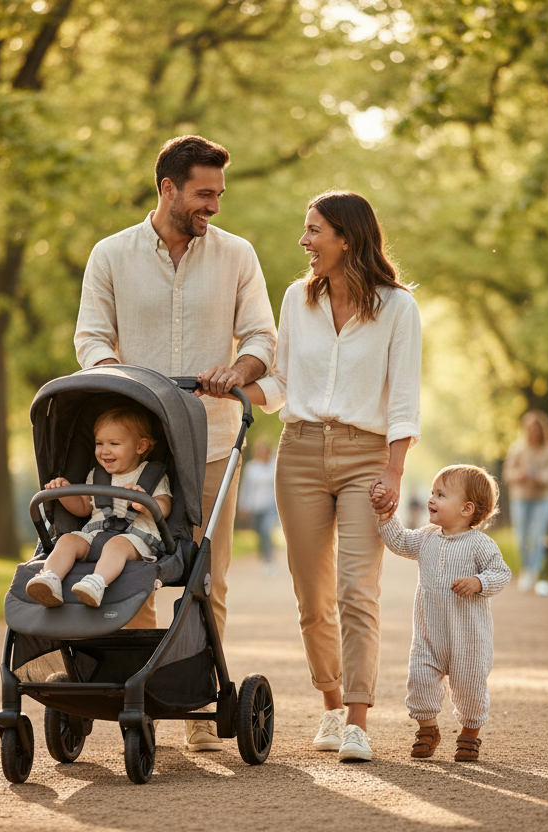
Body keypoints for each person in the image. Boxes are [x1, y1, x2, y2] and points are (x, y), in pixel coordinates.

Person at [74, 135, 277, 752]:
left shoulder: (237, 255)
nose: (215, 204)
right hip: (134, 450)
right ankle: (142, 700)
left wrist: (237, 373)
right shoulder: (110, 255)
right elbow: (90, 338)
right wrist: (121, 378)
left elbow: (262, 338)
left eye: (219, 192)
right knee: (132, 570)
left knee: (203, 578)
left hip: (211, 440)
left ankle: (197, 704)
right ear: (168, 189)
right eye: (204, 193)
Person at [240, 190, 422, 763]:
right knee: (313, 595)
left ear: (347, 237)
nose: (304, 242)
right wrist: (235, 388)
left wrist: (394, 469)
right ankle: (330, 705)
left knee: (356, 588)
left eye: (314, 230)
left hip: (367, 455)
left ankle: (359, 722)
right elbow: (283, 383)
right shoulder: (298, 299)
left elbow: (405, 400)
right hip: (299, 454)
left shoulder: (398, 308)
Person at [375, 464, 511, 762]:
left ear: (466, 508)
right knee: (419, 680)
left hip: (468, 640)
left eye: (441, 494)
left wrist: (479, 582)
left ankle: (469, 735)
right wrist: (386, 517)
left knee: (471, 689)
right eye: (432, 493)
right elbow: (399, 541)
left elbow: (501, 573)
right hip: (429, 635)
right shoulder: (426, 537)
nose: (431, 500)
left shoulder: (480, 545)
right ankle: (427, 729)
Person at [26, 404, 172, 609]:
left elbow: (165, 506)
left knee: (116, 545)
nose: (105, 450)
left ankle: (96, 582)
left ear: (140, 447)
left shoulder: (152, 475)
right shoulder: (97, 476)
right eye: (99, 443)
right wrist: (64, 493)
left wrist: (146, 503)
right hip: (96, 535)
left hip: (135, 540)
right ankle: (50, 578)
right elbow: (84, 508)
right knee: (67, 539)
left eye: (114, 443)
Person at [502, 410, 548, 594]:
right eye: (529, 429)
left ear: (541, 430)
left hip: (542, 499)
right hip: (520, 499)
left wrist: (541, 478)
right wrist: (519, 475)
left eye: (536, 429)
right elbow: (507, 473)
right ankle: (526, 568)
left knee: (537, 536)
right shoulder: (517, 449)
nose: (532, 433)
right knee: (522, 536)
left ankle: (534, 572)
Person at [238, 440, 279, 576]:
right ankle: (265, 559)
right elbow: (246, 488)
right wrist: (243, 506)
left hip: (271, 506)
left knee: (266, 531)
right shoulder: (251, 467)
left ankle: (270, 561)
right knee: (260, 535)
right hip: (255, 507)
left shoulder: (274, 465)